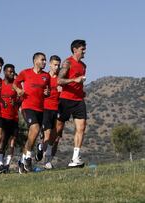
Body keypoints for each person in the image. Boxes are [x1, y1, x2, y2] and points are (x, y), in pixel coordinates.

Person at [13, 52, 50, 173]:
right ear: (35, 61)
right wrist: (19, 90)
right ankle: (28, 157)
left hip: (40, 109)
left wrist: (47, 93)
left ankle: (22, 162)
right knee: (35, 129)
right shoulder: (25, 72)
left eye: (45, 60)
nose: (45, 62)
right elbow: (15, 83)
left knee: (32, 136)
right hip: (27, 107)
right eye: (42, 60)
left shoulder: (46, 76)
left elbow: (47, 91)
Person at [56, 39, 87, 168]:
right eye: (82, 49)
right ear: (75, 50)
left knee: (81, 128)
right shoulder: (67, 62)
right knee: (58, 130)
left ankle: (75, 158)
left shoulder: (84, 65)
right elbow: (59, 80)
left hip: (79, 100)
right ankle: (45, 150)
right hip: (66, 99)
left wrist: (82, 91)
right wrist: (75, 79)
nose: (84, 51)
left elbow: (79, 83)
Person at [35, 55, 61, 169]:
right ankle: (47, 161)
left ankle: (41, 147)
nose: (57, 67)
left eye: (58, 65)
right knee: (48, 134)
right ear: (50, 64)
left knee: (55, 137)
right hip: (46, 108)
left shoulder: (61, 78)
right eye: (55, 65)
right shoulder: (45, 77)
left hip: (58, 109)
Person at [0, 64, 19, 173]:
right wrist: (1, 101)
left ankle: (7, 164)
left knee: (12, 142)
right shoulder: (0, 84)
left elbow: (22, 98)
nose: (12, 73)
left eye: (13, 72)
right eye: (10, 72)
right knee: (2, 140)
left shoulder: (16, 85)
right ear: (5, 72)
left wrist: (17, 102)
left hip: (14, 117)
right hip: (2, 117)